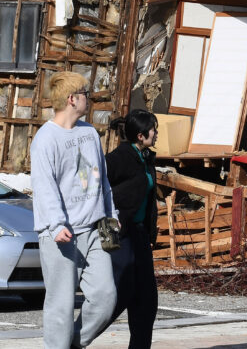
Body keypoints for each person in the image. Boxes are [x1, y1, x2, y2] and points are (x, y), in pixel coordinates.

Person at [30, 71, 118, 349]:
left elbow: (101, 179)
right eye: (85, 94)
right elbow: (44, 187)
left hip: (93, 231)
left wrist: (111, 214)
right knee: (60, 307)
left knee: (106, 298)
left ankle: (73, 344)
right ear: (72, 99)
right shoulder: (45, 139)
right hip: (61, 236)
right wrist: (56, 225)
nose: (88, 99)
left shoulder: (90, 132)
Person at [105, 109, 160, 349]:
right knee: (119, 294)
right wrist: (105, 229)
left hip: (139, 233)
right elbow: (93, 185)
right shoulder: (119, 157)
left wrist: (149, 232)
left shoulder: (146, 157)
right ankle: (77, 338)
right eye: (153, 129)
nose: (156, 133)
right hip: (116, 232)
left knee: (147, 298)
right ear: (140, 135)